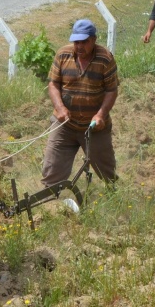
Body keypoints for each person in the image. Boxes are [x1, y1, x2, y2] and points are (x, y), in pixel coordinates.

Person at [41, 19, 119, 188]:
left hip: (94, 127)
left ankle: (113, 196)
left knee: (106, 171)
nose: (80, 46)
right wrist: (60, 108)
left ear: (94, 40)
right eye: (76, 42)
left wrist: (100, 115)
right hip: (65, 124)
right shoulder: (63, 55)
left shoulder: (105, 58)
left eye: (84, 42)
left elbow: (112, 90)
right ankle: (50, 202)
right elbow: (53, 84)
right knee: (52, 168)